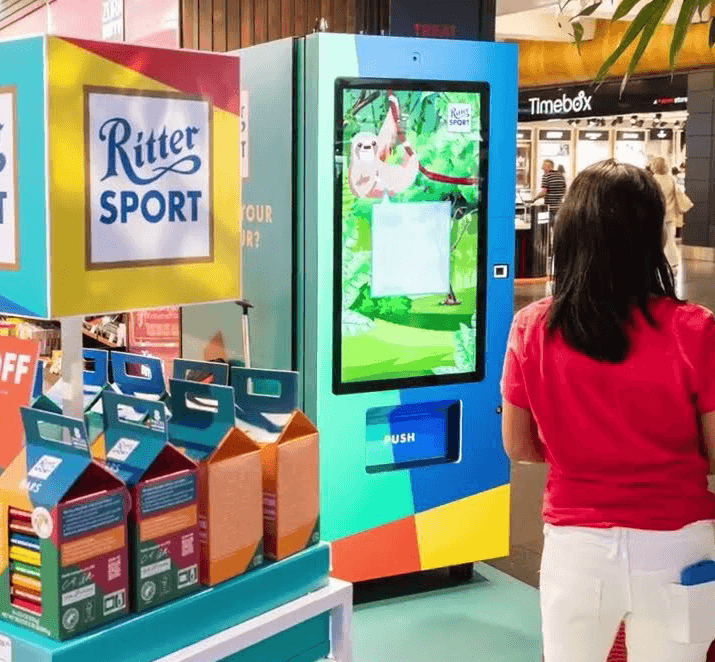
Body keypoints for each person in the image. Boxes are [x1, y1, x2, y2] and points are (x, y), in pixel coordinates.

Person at [501, 160, 715, 662]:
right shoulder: (696, 330)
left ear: (567, 234)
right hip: (678, 545)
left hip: (575, 548)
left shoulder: (533, 327)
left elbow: (519, 446)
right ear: (651, 235)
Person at [651, 156, 692, 268]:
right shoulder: (671, 179)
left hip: (654, 214)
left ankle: (655, 261)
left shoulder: (651, 179)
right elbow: (678, 194)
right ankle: (672, 261)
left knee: (654, 238)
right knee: (669, 240)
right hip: (669, 215)